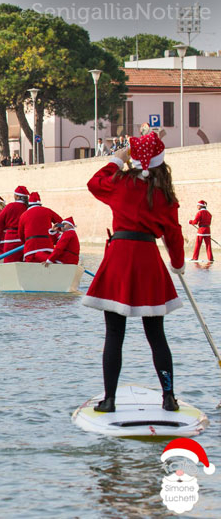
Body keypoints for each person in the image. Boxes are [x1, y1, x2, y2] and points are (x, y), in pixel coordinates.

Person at [82, 132, 184, 413]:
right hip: (148, 258)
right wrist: (178, 263)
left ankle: (110, 400)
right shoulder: (165, 194)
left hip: (120, 257)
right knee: (157, 335)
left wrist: (118, 158)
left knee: (114, 334)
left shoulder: (120, 184)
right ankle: (169, 398)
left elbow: (93, 182)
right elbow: (173, 234)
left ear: (134, 160)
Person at [17, 192, 62, 262]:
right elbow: (62, 224)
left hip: (30, 249)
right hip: (46, 246)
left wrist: (26, 242)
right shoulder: (47, 211)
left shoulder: (23, 215)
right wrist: (55, 230)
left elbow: (20, 234)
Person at [0, 186, 29, 262]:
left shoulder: (10, 206)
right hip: (25, 239)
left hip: (11, 239)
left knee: (9, 262)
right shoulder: (28, 207)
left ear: (17, 196)